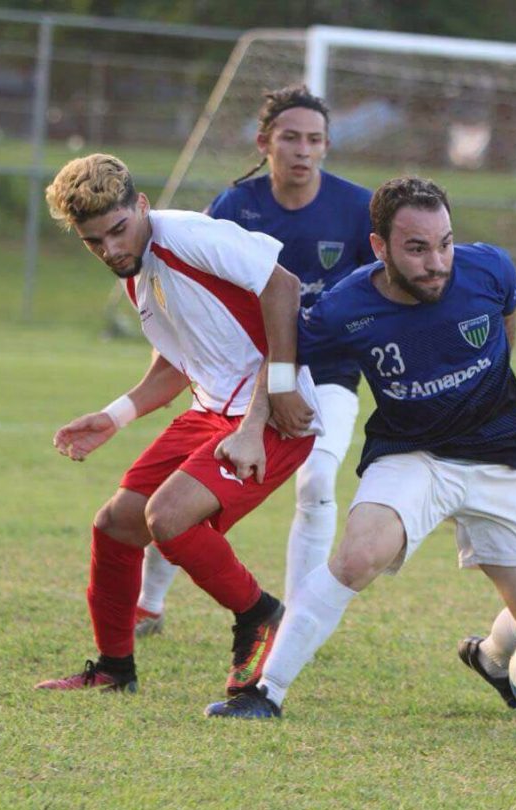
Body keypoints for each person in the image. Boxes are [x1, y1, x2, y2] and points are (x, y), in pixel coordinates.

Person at [204, 176, 516, 719]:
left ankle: (491, 658)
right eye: (416, 248)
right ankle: (264, 692)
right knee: (358, 557)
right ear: (380, 247)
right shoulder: (344, 307)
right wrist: (255, 423)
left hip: (498, 459)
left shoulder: (490, 268)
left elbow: (506, 325)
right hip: (411, 455)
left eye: (444, 242)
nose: (436, 262)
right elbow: (284, 356)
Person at [35, 152, 321, 695]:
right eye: (95, 241)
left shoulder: (186, 235)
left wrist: (270, 402)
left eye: (119, 230)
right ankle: (115, 670)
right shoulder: (134, 271)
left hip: (275, 416)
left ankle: (259, 615)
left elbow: (283, 289)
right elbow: (177, 363)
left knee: (167, 518)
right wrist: (116, 415)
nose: (111, 248)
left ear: (141, 205)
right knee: (117, 524)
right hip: (212, 412)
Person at [135, 85, 375, 637]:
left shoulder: (358, 208)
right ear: (264, 142)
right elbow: (188, 298)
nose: (303, 150)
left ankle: (297, 621)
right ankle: (148, 603)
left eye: (315, 140)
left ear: (326, 146)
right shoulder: (234, 207)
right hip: (241, 378)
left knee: (317, 483)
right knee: (183, 487)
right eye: (290, 137)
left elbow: (383, 289)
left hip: (327, 375)